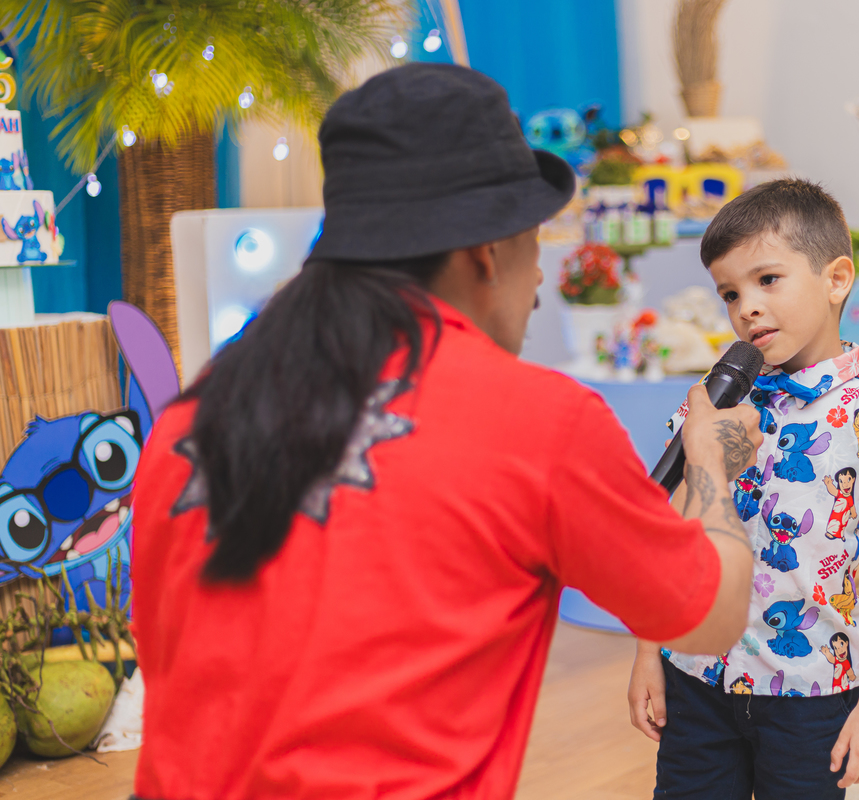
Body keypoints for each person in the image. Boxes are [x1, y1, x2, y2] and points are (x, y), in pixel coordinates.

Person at [130, 63, 762, 800]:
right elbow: (709, 617)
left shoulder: (194, 415)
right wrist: (711, 464)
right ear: (485, 255)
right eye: (536, 245)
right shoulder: (538, 420)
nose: (541, 282)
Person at [627, 179, 859, 799]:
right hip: (696, 674)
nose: (747, 307)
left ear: (836, 279)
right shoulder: (714, 402)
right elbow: (673, 538)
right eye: (730, 293)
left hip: (811, 692)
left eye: (767, 280)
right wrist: (648, 654)